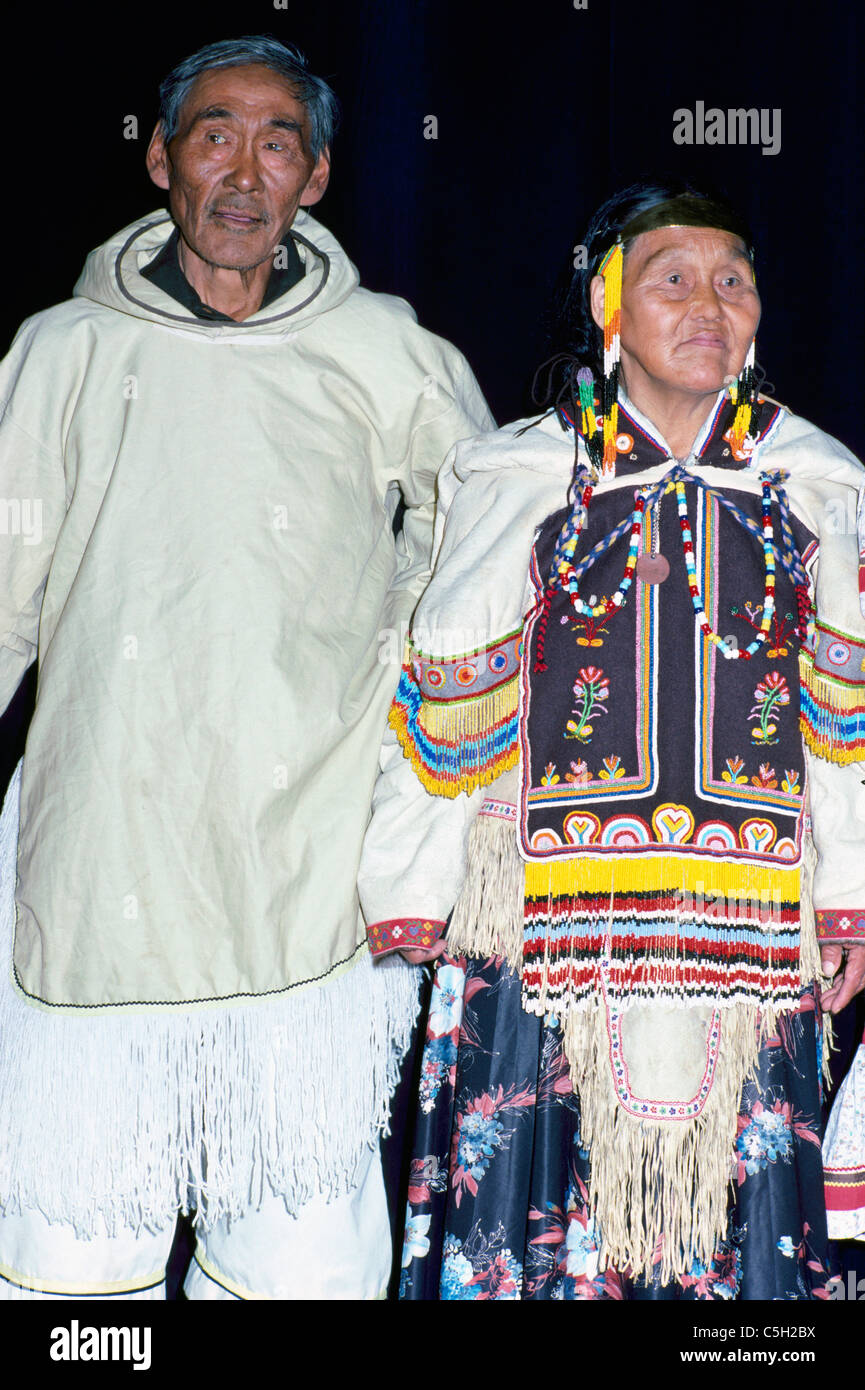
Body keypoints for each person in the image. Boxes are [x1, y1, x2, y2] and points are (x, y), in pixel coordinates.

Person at [0, 35, 492, 1300]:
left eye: (279, 142)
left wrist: (389, 660)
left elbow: (486, 538)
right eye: (214, 133)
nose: (243, 168)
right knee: (69, 1259)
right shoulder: (61, 352)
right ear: (161, 159)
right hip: (106, 843)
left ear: (314, 177)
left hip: (304, 861)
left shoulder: (384, 348)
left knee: (304, 1265)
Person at [359, 181, 865, 1300]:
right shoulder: (518, 472)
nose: (708, 304)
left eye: (733, 281)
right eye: (671, 279)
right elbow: (443, 691)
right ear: (608, 304)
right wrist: (405, 885)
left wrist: (851, 901)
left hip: (750, 915)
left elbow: (844, 715)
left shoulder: (815, 482)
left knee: (735, 1240)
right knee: (533, 1216)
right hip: (537, 925)